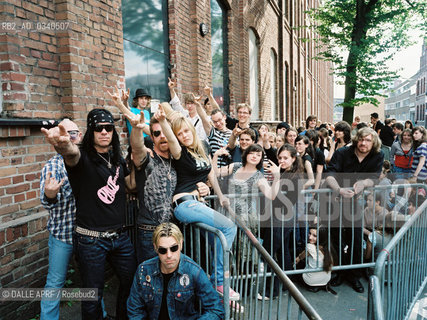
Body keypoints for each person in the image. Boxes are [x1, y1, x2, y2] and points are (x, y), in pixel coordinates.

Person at [42, 108, 137, 319]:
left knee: (132, 281)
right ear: (91, 131)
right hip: (91, 240)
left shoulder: (118, 160)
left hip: (119, 238)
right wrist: (63, 144)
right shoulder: (82, 158)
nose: (104, 132)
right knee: (92, 296)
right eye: (98, 128)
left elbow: (130, 186)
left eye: (108, 128)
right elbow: (71, 154)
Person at [155, 102, 240, 300]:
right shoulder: (180, 152)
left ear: (192, 130)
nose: (184, 136)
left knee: (218, 237)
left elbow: (210, 173)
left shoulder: (202, 146)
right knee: (228, 227)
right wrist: (162, 122)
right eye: (179, 134)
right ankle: (219, 281)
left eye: (186, 131)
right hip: (184, 204)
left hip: (199, 202)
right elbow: (172, 139)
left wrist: (220, 196)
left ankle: (215, 281)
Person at [325, 127, 384, 293]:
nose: (363, 143)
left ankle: (354, 275)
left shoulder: (378, 155)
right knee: (337, 238)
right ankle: (340, 273)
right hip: (336, 200)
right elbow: (329, 174)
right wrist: (339, 190)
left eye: (368, 140)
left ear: (373, 143)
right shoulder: (343, 152)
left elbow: (374, 177)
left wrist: (364, 183)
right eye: (361, 139)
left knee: (356, 239)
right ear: (356, 139)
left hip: (357, 203)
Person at [127, 222, 225, 319]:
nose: (169, 255)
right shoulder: (144, 270)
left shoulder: (194, 271)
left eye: (174, 248)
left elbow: (216, 309)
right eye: (162, 250)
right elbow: (134, 309)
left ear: (181, 244)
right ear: (155, 248)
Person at [39, 119, 82, 320]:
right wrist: (50, 194)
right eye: (64, 133)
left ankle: (101, 313)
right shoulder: (53, 166)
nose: (69, 137)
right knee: (55, 282)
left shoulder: (89, 160)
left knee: (93, 278)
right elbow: (47, 203)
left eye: (72, 133)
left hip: (87, 235)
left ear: (79, 135)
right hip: (62, 236)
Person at [295, 225, 336, 293]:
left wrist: (298, 258)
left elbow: (301, 257)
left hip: (310, 282)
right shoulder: (329, 248)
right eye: (309, 233)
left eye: (315, 236)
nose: (310, 237)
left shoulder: (310, 247)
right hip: (325, 281)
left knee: (299, 261)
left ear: (321, 237)